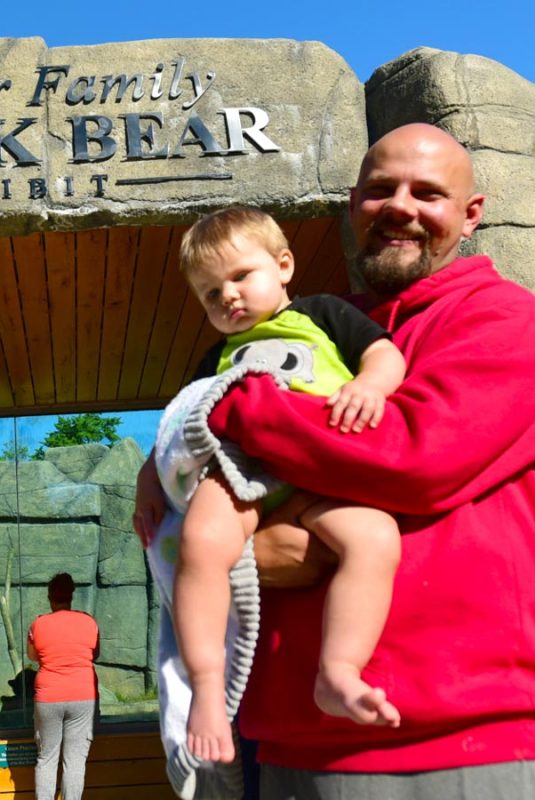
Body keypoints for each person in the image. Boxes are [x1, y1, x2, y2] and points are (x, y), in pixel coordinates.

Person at [135, 122, 535, 798]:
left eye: (428, 193)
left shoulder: (501, 319)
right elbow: (189, 476)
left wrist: (235, 408)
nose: (401, 206)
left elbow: (413, 458)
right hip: (294, 739)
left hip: (468, 734)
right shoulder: (307, 331)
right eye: (381, 190)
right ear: (354, 207)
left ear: (471, 216)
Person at [170, 207, 405, 766]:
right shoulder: (215, 358)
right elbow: (177, 423)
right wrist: (149, 489)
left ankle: (339, 669)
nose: (226, 296)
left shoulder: (322, 315)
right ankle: (205, 685)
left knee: (375, 537)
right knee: (200, 542)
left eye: (240, 277)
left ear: (283, 265)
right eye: (209, 294)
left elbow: (384, 353)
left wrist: (372, 383)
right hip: (239, 468)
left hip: (323, 471)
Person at [27, 573, 100, 800]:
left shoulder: (38, 624)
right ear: (71, 595)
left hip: (48, 697)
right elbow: (95, 654)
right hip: (82, 695)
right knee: (75, 761)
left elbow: (32, 656)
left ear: (50, 597)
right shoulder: (89, 622)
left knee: (47, 758)